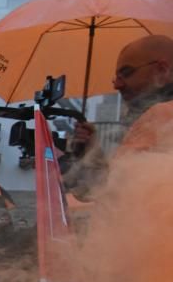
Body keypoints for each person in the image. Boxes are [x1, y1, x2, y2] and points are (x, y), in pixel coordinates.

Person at [70, 35, 173, 190]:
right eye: (116, 77)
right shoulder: (151, 117)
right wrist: (91, 150)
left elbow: (114, 193)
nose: (117, 85)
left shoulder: (160, 115)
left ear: (161, 70)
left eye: (127, 73)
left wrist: (91, 155)